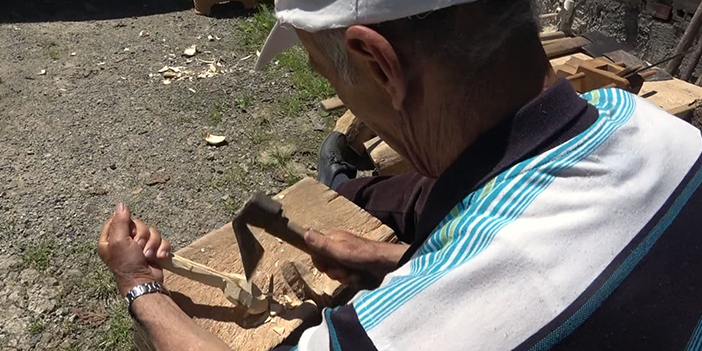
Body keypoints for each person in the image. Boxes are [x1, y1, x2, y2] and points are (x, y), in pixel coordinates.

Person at [98, 0, 702, 349]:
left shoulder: (423, 332)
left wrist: (142, 288)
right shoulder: (672, 137)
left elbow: (499, 290)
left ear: (378, 64)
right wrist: (400, 260)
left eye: (330, 76)